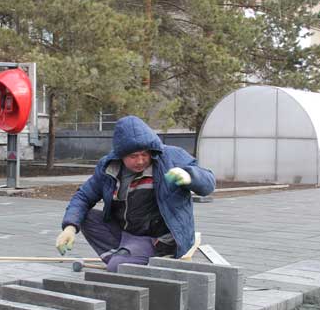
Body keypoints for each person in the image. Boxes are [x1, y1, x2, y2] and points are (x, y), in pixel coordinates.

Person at [55, 116, 215, 272]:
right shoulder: (109, 167)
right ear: (121, 155)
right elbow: (83, 196)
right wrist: (69, 227)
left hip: (159, 239)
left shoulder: (171, 157)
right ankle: (127, 257)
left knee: (117, 267)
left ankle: (133, 258)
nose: (140, 161)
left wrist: (190, 176)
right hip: (127, 233)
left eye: (144, 155)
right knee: (86, 217)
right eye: (133, 156)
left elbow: (208, 182)